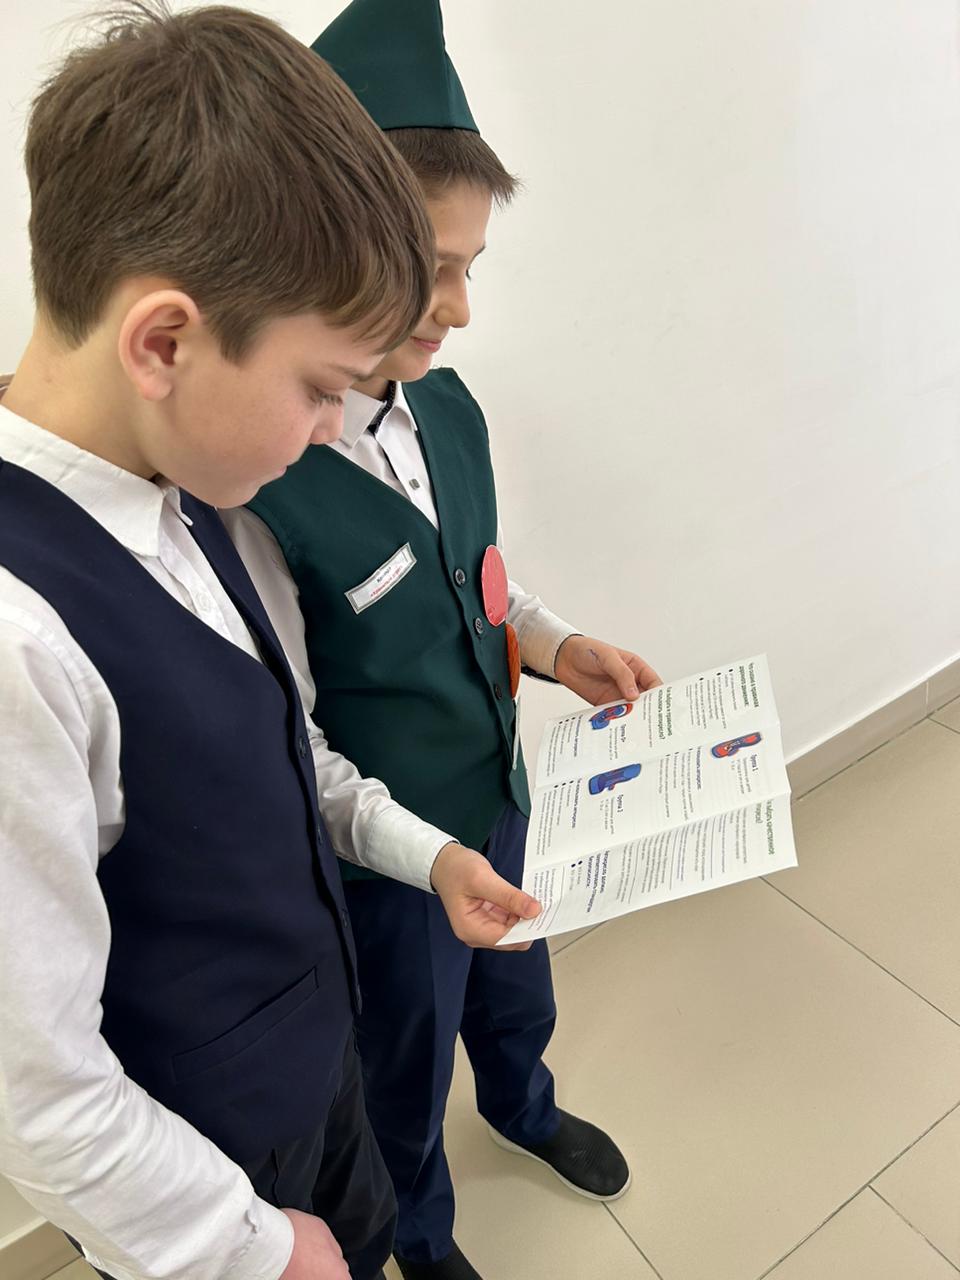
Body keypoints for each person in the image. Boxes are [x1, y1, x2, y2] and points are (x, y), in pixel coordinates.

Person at [0, 5, 453, 1278]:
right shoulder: (19, 643)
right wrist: (251, 1248)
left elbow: (274, 754)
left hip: (315, 1072)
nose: (331, 429)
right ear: (164, 341)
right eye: (320, 388)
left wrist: (421, 854)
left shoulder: (197, 492)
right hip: (206, 1182)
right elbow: (40, 1091)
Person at [224, 4, 662, 1277]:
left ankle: (523, 1102)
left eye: (473, 265)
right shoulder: (259, 484)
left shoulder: (450, 407)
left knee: (521, 985)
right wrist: (427, 857)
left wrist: (556, 644)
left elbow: (478, 580)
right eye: (431, 267)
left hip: (499, 791)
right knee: (401, 1069)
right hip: (398, 863)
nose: (460, 308)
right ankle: (420, 1230)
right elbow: (289, 738)